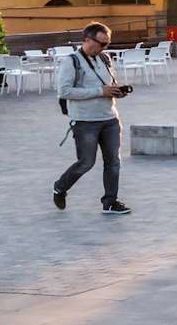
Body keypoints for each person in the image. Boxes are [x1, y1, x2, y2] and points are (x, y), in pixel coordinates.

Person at [53, 24, 132, 216]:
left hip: (110, 118)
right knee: (86, 163)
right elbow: (64, 91)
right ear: (87, 40)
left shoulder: (104, 58)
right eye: (102, 44)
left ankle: (110, 202)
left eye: (107, 44)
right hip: (85, 121)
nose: (105, 48)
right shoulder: (71, 62)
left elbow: (106, 85)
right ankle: (60, 187)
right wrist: (100, 91)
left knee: (113, 162)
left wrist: (115, 91)